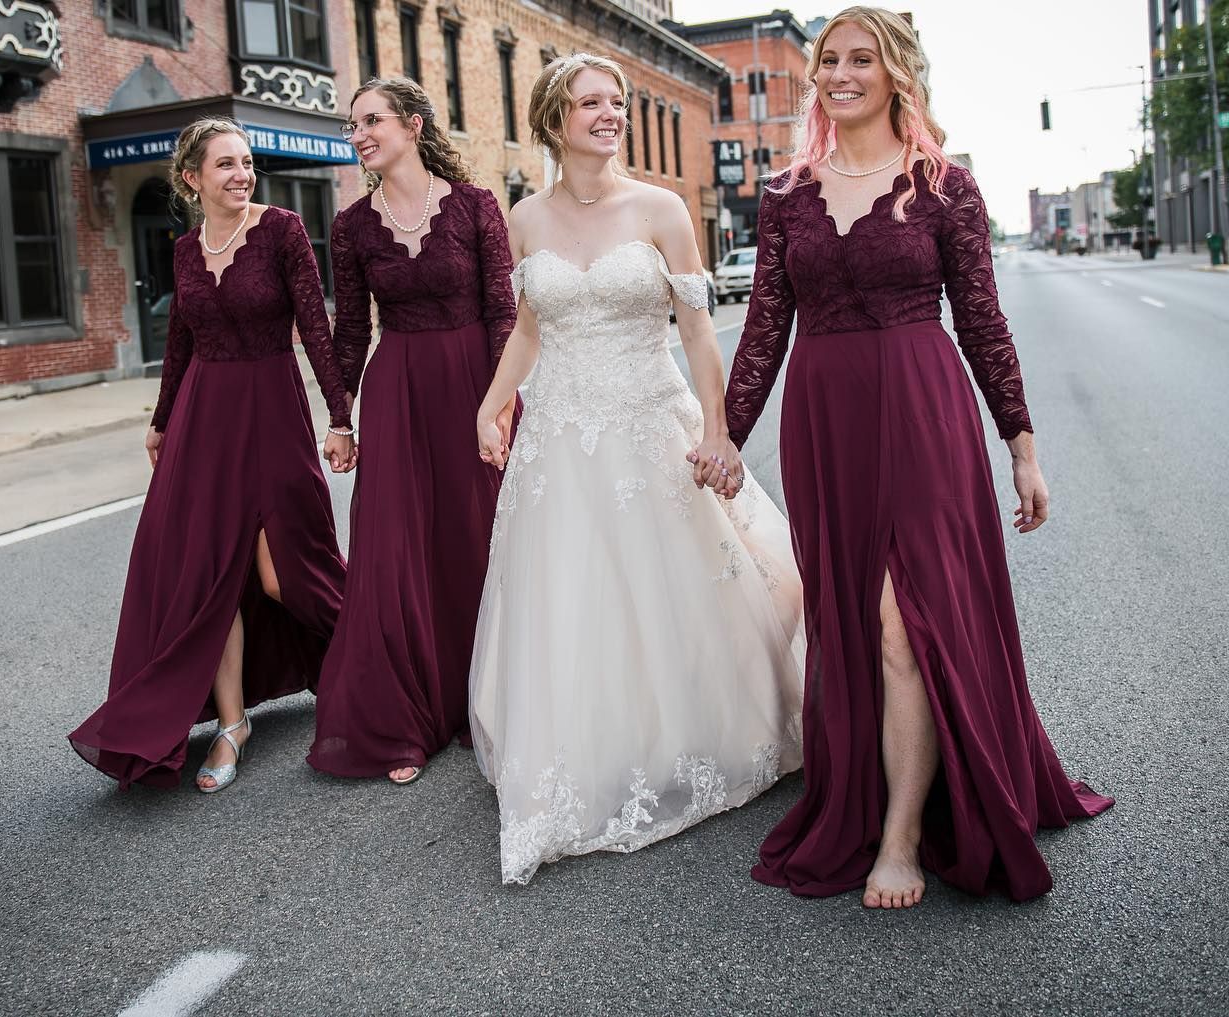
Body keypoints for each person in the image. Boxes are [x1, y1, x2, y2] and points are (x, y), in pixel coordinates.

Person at [725, 6, 1112, 907]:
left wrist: (1022, 445)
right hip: (827, 422)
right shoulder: (786, 195)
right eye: (830, 60)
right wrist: (725, 436)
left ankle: (899, 835)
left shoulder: (946, 188)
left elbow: (981, 320)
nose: (842, 73)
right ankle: (876, 788)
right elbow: (762, 333)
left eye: (862, 59)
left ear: (898, 71)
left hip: (925, 416)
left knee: (909, 621)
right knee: (852, 619)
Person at [467, 54, 806, 885]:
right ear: (556, 120)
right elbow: (529, 329)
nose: (610, 113)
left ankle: (688, 735)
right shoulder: (525, 219)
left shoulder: (661, 209)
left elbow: (697, 332)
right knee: (573, 599)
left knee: (675, 591)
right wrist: (493, 402)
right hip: (561, 437)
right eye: (591, 103)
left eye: (616, 101)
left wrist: (720, 430)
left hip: (653, 423)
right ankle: (581, 753)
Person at [69, 117, 356, 793]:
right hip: (204, 421)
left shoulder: (283, 230)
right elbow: (180, 343)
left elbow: (316, 326)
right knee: (213, 578)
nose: (241, 173)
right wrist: (161, 420)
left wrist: (342, 414)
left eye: (246, 161)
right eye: (224, 164)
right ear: (192, 178)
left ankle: (372, 668)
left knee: (288, 571)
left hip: (273, 412)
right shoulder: (186, 249)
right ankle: (232, 725)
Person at [306, 78, 518, 785]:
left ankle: (483, 697)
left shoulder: (475, 206)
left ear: (414, 124)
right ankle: (401, 718)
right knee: (394, 549)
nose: (359, 133)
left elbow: (502, 311)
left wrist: (500, 402)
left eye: (372, 120)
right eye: (352, 125)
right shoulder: (352, 226)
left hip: (471, 386)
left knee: (473, 534)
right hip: (396, 392)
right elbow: (353, 329)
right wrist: (340, 414)